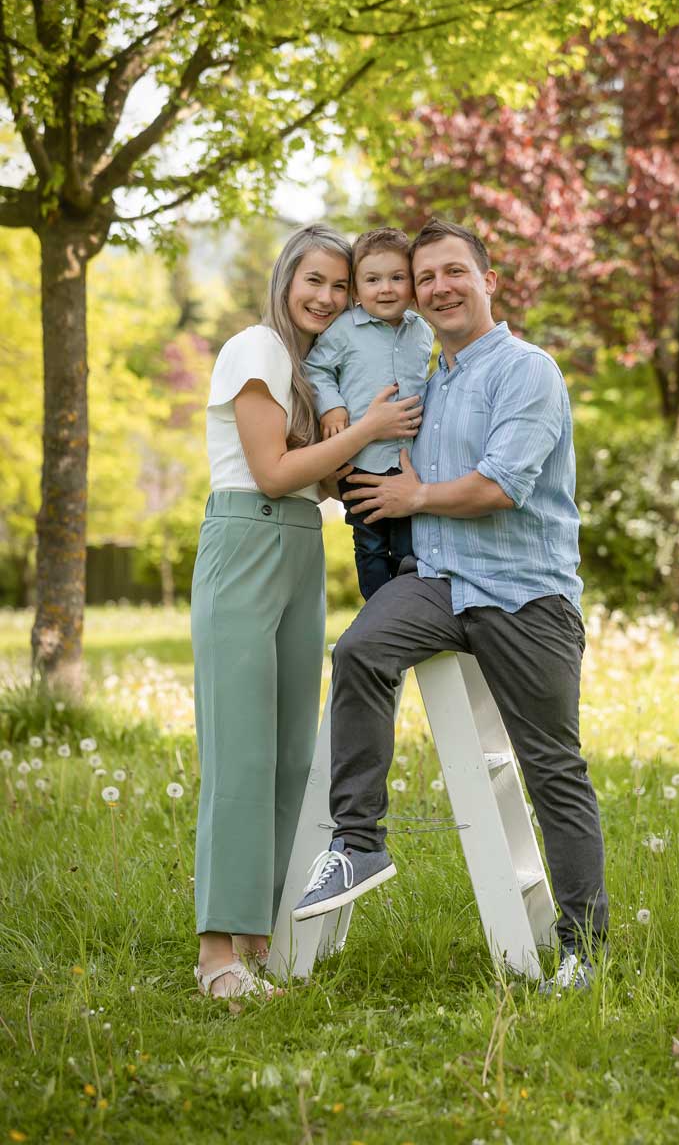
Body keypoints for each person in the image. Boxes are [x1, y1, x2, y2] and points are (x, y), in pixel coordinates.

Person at [293, 218, 609, 993]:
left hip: (525, 596)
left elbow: (501, 486)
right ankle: (360, 841)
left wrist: (416, 492)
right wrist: (352, 456)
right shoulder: (431, 382)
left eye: (453, 271)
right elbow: (382, 468)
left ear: (488, 280)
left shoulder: (527, 371)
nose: (437, 286)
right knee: (359, 650)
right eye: (425, 276)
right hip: (438, 585)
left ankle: (584, 947)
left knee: (552, 770)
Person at [190, 223, 422, 999]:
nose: (328, 298)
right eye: (313, 281)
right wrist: (364, 429)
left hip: (296, 546)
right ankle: (216, 956)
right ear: (287, 279)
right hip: (246, 542)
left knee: (291, 754)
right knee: (241, 755)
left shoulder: (307, 369)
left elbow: (320, 481)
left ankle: (257, 942)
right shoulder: (256, 347)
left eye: (341, 287)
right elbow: (269, 471)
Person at [305, 228, 433, 600]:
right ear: (357, 290)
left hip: (410, 463)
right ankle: (378, 613)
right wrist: (333, 405)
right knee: (371, 544)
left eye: (397, 278)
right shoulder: (344, 330)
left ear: (411, 284)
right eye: (372, 280)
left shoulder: (422, 331)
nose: (386, 289)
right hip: (362, 462)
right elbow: (316, 369)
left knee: (410, 547)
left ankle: (409, 611)